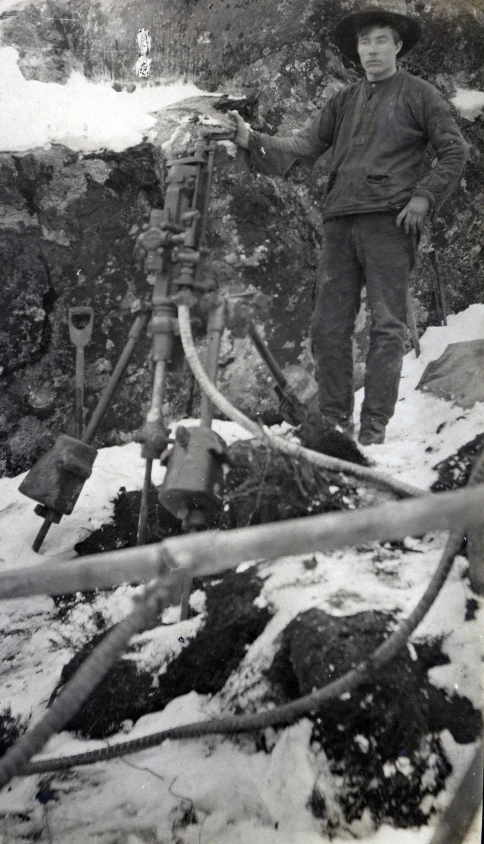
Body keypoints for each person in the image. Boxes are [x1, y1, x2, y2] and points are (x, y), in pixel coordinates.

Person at [228, 6, 468, 445]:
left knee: (387, 325)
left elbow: (455, 150)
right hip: (339, 224)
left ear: (397, 46)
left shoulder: (420, 95)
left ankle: (374, 427)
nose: (371, 50)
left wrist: (424, 196)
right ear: (356, 51)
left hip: (389, 224)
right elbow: (303, 144)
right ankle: (335, 422)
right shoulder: (343, 99)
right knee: (328, 325)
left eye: (380, 40)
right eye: (364, 42)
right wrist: (251, 139)